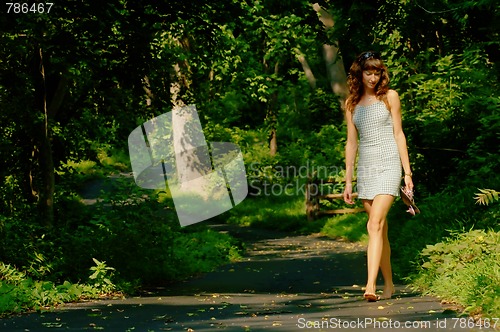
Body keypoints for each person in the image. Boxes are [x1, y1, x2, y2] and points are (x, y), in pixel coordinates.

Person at [343, 51, 414, 302]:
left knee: (373, 224)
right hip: (366, 169)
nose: (373, 77)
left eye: (377, 72)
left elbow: (399, 134)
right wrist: (348, 180)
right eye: (368, 72)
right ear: (359, 73)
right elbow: (351, 143)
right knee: (379, 231)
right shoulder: (351, 104)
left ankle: (370, 285)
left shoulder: (390, 97)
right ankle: (390, 285)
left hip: (389, 164)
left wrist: (407, 173)